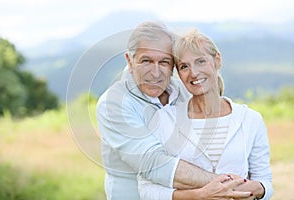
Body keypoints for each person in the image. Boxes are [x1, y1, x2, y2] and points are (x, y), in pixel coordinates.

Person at [96, 21, 253, 199]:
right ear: (130, 61)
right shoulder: (113, 104)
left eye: (164, 62)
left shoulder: (185, 91)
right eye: (146, 61)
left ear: (174, 65)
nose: (155, 73)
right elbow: (154, 164)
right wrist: (230, 186)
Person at [137, 28, 273, 199]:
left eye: (200, 61)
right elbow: (146, 188)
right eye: (184, 66)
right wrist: (198, 195)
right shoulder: (164, 119)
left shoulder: (250, 119)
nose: (193, 73)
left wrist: (258, 189)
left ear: (217, 60)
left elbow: (265, 181)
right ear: (178, 73)